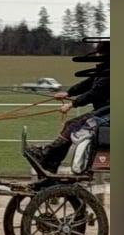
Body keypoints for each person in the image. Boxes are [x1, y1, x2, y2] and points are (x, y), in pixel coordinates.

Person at [26, 40, 110, 174]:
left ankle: (49, 157)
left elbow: (95, 94)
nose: (97, 58)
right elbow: (87, 84)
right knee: (71, 125)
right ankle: (50, 159)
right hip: (104, 111)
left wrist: (72, 104)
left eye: (99, 55)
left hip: (107, 113)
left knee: (73, 125)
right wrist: (68, 92)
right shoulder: (104, 71)